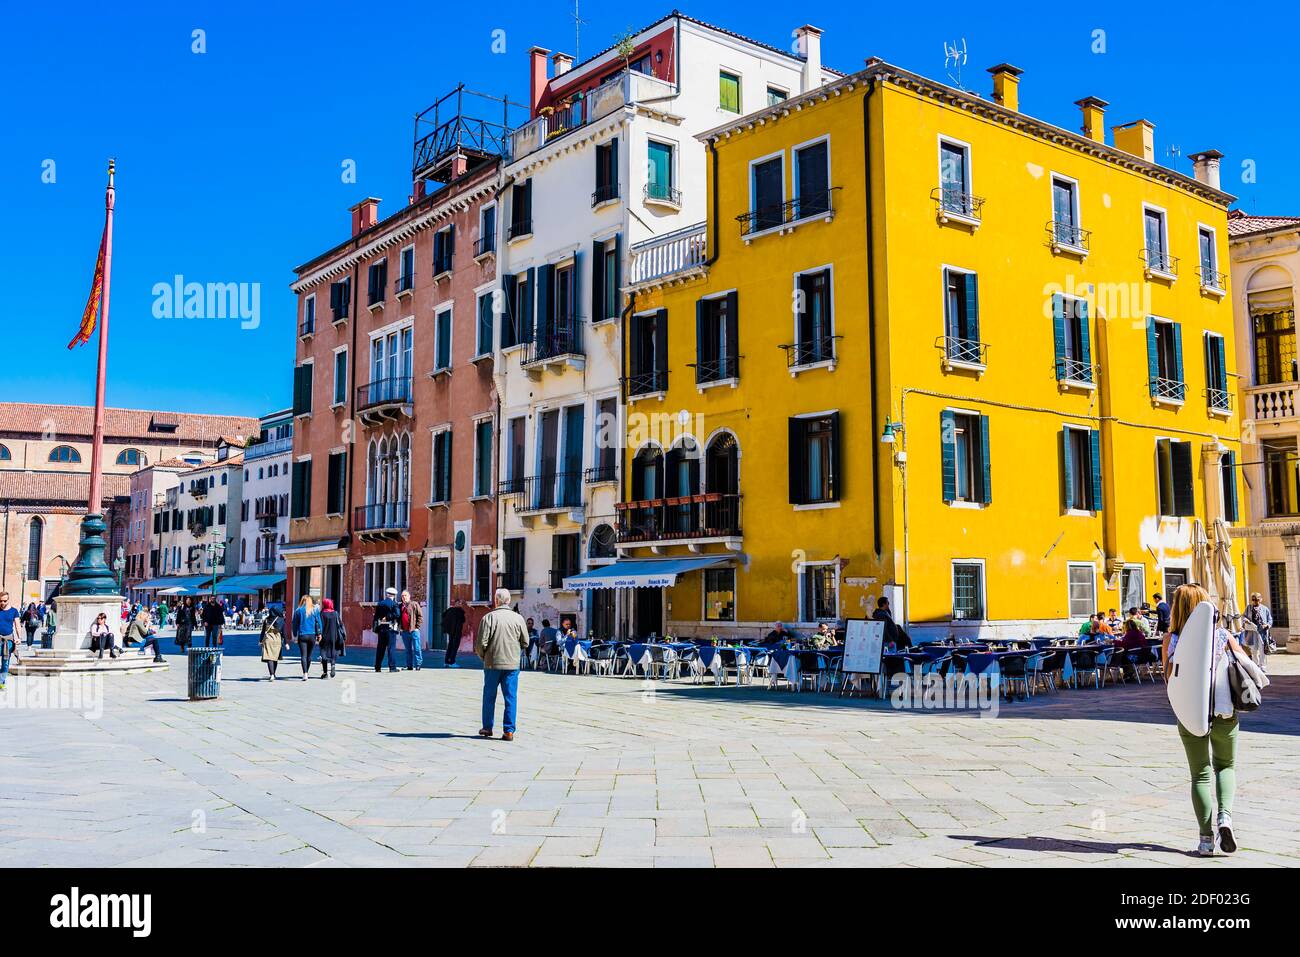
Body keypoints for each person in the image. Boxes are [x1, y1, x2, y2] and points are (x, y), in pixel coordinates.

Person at [1162, 583, 1267, 856]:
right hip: (1224, 710)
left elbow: (1169, 679)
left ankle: (1206, 841)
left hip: (1190, 712)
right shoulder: (1222, 635)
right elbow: (1245, 663)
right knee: (1226, 766)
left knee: (1199, 774)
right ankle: (1225, 819)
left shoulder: (1172, 639)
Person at [475, 588, 529, 741]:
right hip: (512, 665)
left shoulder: (489, 618)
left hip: (492, 663)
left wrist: (483, 656)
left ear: (497, 600)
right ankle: (509, 731)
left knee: (489, 696)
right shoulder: (518, 619)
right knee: (511, 697)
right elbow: (526, 642)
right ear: (509, 601)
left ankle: (487, 727)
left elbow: (480, 644)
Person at [292, 595, 321, 681]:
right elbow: (319, 623)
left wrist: (294, 635)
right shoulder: (315, 610)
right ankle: (306, 672)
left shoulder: (298, 610)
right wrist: (320, 634)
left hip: (302, 635)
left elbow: (294, 624)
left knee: (303, 655)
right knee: (309, 655)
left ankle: (305, 673)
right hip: (312, 635)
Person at [373, 587, 400, 673]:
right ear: (394, 595)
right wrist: (388, 617)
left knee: (380, 648)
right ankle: (392, 667)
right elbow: (397, 614)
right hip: (390, 628)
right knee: (391, 648)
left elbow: (376, 617)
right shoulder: (394, 604)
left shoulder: (380, 603)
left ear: (387, 594)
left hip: (381, 629)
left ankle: (377, 667)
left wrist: (376, 629)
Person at [318, 598, 345, 678]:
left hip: (324, 637)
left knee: (324, 654)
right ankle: (333, 665)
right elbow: (340, 624)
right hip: (335, 636)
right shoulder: (335, 613)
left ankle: (325, 673)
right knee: (333, 651)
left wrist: (318, 635)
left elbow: (320, 625)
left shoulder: (322, 614)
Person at [399, 589, 423, 671]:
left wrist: (417, 627)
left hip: (414, 631)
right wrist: (400, 628)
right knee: (407, 650)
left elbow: (420, 616)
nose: (403, 597)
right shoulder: (400, 606)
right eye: (402, 596)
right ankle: (409, 665)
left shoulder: (414, 604)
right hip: (404, 631)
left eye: (405, 595)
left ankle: (418, 664)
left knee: (417, 648)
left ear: (409, 596)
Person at [0, 592, 20, 690]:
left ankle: (1, 682)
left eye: (5, 601)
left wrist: (19, 638)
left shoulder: (14, 611)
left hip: (8, 640)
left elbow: (17, 625)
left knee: (5, 662)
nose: (2, 603)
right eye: (0, 601)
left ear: (8, 600)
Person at [441, 599, 467, 668]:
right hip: (456, 632)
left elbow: (444, 617)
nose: (460, 604)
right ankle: (452, 662)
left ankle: (446, 662)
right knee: (454, 647)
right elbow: (463, 620)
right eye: (459, 603)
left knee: (450, 646)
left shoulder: (449, 610)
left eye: (460, 603)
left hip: (451, 632)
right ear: (456, 603)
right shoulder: (459, 611)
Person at [259, 610, 284, 680]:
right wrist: (286, 643)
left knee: (269, 657)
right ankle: (274, 674)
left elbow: (263, 631)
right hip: (277, 640)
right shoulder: (281, 620)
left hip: (268, 640)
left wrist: (260, 640)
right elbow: (283, 631)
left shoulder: (266, 620)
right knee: (275, 658)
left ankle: (272, 674)